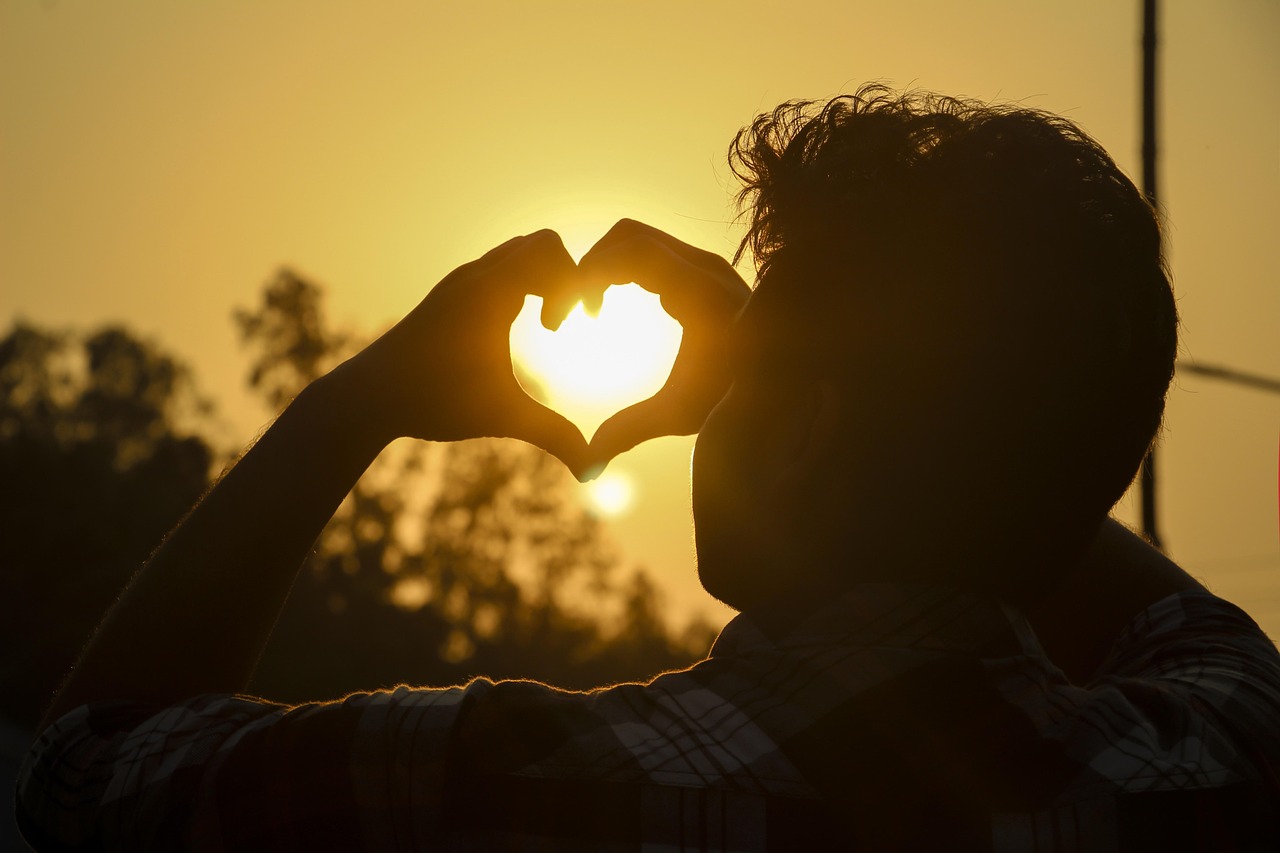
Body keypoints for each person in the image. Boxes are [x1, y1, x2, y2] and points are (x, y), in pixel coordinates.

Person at [15, 85, 1280, 850]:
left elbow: (83, 777)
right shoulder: (1211, 765)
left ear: (798, 428)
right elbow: (1123, 570)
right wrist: (808, 382)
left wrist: (356, 403)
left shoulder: (488, 785)